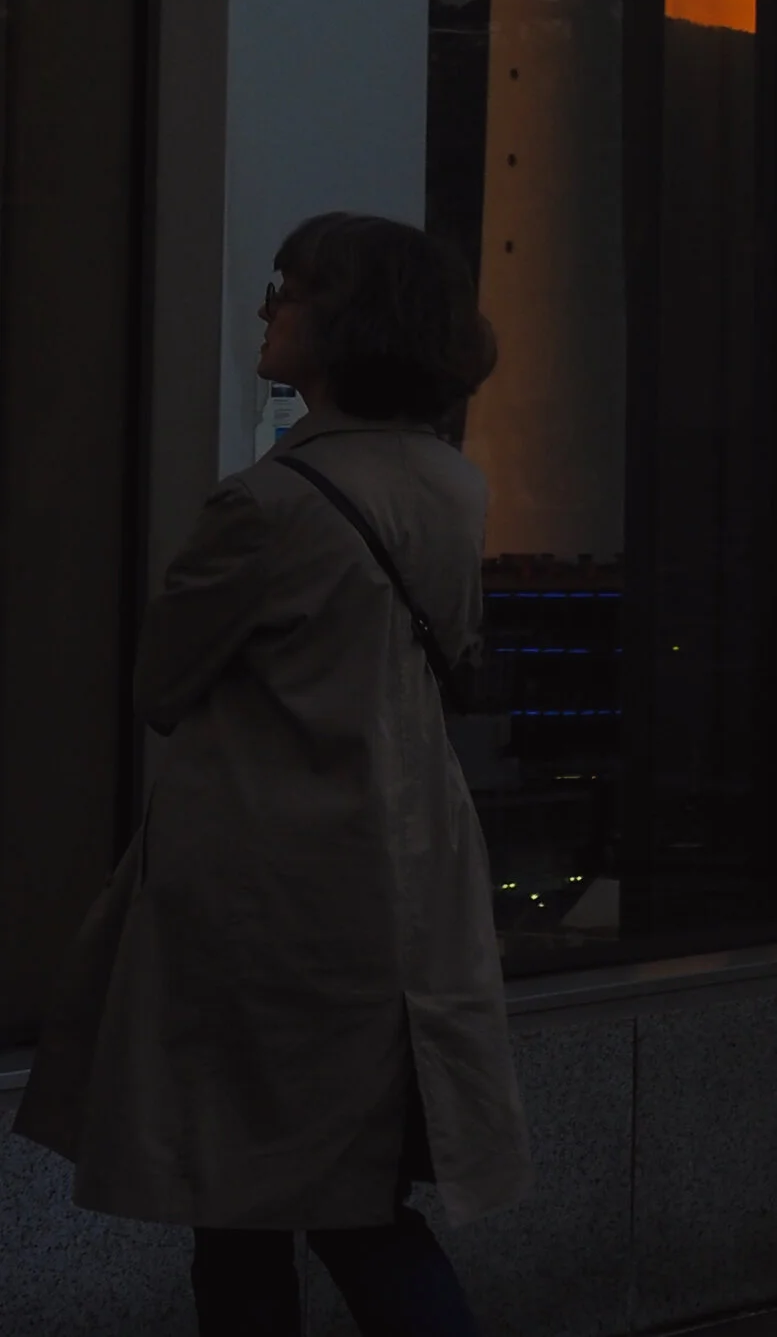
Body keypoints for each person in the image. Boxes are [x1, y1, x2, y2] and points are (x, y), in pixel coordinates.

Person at [20, 213, 531, 1336]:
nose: (266, 309)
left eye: (287, 291)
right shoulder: (451, 485)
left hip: (267, 897)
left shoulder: (267, 505)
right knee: (360, 1203)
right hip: (400, 883)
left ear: (345, 325)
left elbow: (162, 684)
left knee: (248, 1209)